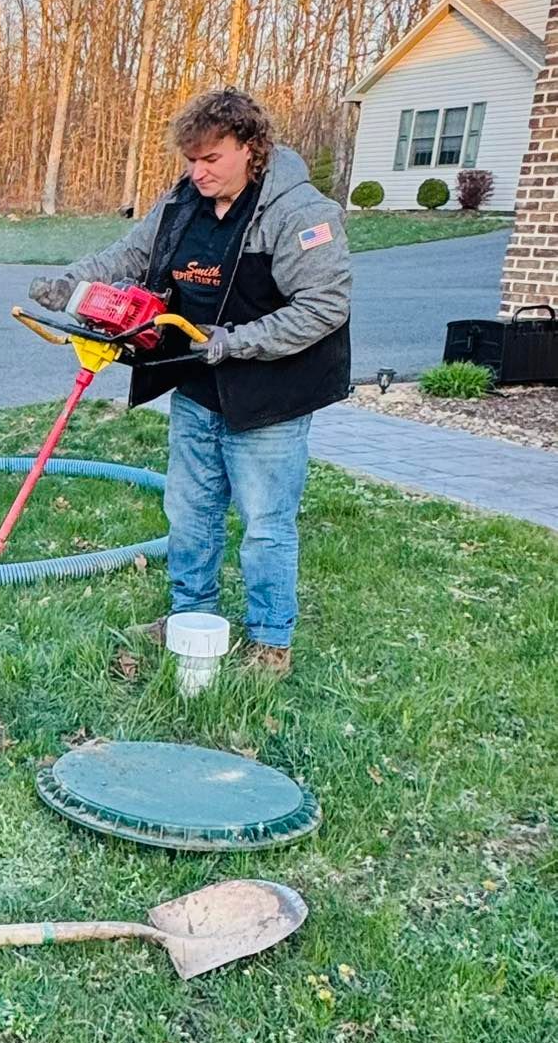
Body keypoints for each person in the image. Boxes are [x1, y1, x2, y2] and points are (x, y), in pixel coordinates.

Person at [28, 89, 351, 678]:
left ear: (251, 149)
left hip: (270, 399)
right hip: (198, 386)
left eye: (212, 159)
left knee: (265, 523)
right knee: (190, 512)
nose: (198, 172)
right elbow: (128, 254)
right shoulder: (183, 202)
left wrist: (236, 340)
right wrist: (69, 284)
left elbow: (324, 306)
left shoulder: (299, 212)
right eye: (191, 160)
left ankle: (270, 640)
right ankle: (191, 616)